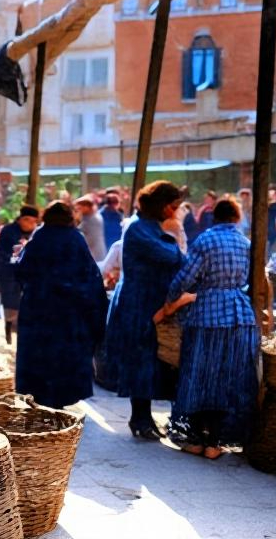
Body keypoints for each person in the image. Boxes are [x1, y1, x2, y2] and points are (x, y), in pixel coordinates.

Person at [166, 199, 259, 459]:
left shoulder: (204, 240)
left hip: (207, 316)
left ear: (213, 217)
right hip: (241, 316)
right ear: (237, 218)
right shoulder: (245, 242)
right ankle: (216, 442)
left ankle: (195, 438)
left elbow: (185, 278)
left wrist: (171, 297)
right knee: (228, 379)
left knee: (199, 377)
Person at [101, 181, 185, 440]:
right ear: (162, 206)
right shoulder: (139, 228)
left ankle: (144, 417)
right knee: (141, 362)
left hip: (148, 302)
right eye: (173, 207)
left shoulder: (149, 226)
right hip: (137, 304)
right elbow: (173, 256)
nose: (175, 212)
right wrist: (175, 237)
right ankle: (140, 419)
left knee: (149, 362)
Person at [13, 202, 107, 408]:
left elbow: (22, 271)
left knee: (40, 359)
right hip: (68, 313)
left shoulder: (39, 237)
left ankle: (40, 399)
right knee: (64, 360)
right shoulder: (75, 239)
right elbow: (90, 277)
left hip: (37, 312)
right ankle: (59, 402)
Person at [0, 205, 40, 343]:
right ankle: (8, 333)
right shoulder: (8, 231)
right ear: (20, 219)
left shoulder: (38, 234)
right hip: (8, 275)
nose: (29, 224)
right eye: (26, 220)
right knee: (9, 305)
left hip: (29, 276)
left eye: (33, 221)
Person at [75, 195, 106, 262]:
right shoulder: (89, 217)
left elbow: (90, 240)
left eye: (80, 207)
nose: (79, 210)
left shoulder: (93, 219)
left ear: (87, 207)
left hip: (94, 255)